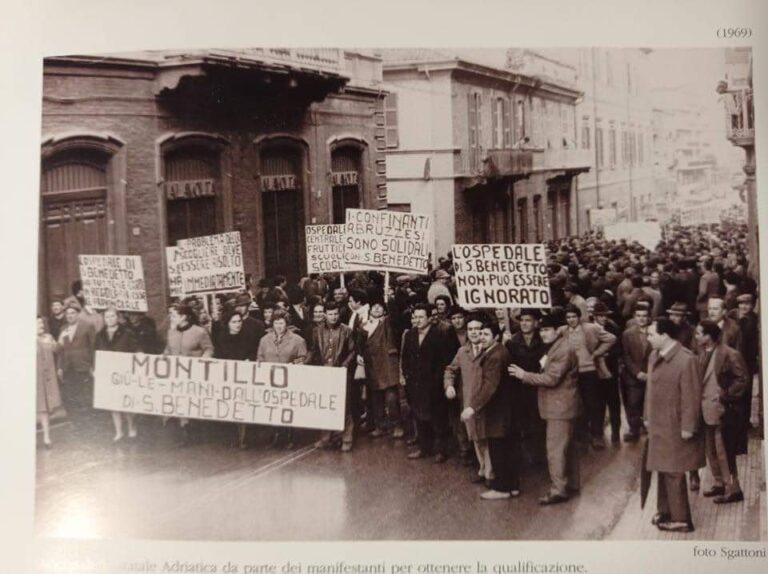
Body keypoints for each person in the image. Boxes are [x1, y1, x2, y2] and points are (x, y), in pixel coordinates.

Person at [510, 313, 581, 505]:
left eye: (547, 330)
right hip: (563, 406)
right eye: (541, 330)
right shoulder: (557, 346)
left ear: (558, 330)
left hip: (559, 407)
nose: (543, 334)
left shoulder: (562, 349)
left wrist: (524, 375)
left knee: (555, 450)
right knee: (567, 447)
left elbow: (551, 379)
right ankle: (571, 483)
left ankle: (558, 490)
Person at [644, 318, 705, 533]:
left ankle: (681, 519)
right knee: (662, 468)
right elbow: (650, 390)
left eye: (651, 334)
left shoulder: (686, 360)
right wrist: (647, 416)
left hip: (675, 426)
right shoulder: (654, 356)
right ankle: (665, 510)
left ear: (665, 336)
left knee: (674, 471)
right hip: (659, 425)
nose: (648, 338)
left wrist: (689, 426)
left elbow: (692, 396)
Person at [694, 320, 749, 504]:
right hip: (706, 410)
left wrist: (725, 395)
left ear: (708, 336)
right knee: (711, 449)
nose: (696, 336)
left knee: (724, 451)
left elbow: (742, 379)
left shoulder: (729, 354)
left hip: (723, 410)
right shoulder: (702, 353)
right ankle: (719, 483)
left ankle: (734, 489)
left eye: (699, 333)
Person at [462, 321, 519, 500]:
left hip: (497, 410)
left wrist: (472, 407)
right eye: (481, 334)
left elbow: (489, 386)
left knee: (498, 448)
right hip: (505, 407)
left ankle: (501, 488)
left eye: (486, 334)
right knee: (507, 447)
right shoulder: (500, 351)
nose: (481, 337)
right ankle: (512, 486)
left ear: (496, 337)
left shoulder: (495, 356)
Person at [401, 304, 450, 463]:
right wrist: (407, 375)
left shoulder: (440, 335)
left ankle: (441, 450)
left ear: (429, 318)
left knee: (437, 418)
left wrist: (437, 382)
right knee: (419, 416)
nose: (418, 320)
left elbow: (444, 361)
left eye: (421, 317)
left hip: (433, 385)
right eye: (415, 317)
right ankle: (424, 448)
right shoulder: (410, 334)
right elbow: (405, 357)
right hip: (415, 384)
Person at [563, 304, 617, 449]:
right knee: (576, 404)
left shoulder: (590, 328)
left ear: (579, 317)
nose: (571, 320)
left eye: (574, 316)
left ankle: (597, 435)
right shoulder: (563, 331)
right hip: (572, 373)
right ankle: (582, 435)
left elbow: (611, 338)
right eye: (568, 317)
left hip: (589, 371)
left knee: (593, 404)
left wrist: (597, 352)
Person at [445, 314, 491, 483]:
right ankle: (483, 468)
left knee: (487, 437)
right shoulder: (462, 351)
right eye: (470, 329)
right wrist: (449, 385)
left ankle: (490, 473)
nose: (473, 332)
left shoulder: (490, 350)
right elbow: (450, 369)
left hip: (487, 401)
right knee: (475, 436)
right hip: (469, 401)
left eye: (477, 329)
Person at [305, 302, 356, 451]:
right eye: (330, 314)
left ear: (339, 314)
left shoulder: (347, 330)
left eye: (335, 314)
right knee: (326, 405)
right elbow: (313, 350)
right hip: (324, 373)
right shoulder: (317, 331)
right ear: (325, 315)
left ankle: (347, 438)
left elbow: (353, 351)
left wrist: (344, 366)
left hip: (341, 372)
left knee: (344, 406)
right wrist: (305, 363)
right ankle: (325, 437)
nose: (333, 317)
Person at [164, 304, 214, 446]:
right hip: (176, 374)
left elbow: (209, 348)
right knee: (179, 401)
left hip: (194, 374)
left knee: (192, 403)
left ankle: (193, 431)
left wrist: (205, 357)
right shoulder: (171, 332)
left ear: (184, 317)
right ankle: (183, 431)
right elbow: (168, 350)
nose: (171, 318)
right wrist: (163, 357)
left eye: (174, 315)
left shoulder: (199, 332)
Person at [257, 310, 307, 449]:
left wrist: (294, 364)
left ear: (287, 324)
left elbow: (303, 358)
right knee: (273, 408)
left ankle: (289, 437)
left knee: (287, 409)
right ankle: (275, 435)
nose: (279, 326)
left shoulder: (297, 340)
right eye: (276, 323)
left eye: (281, 323)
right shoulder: (264, 340)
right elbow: (260, 358)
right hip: (270, 380)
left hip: (289, 380)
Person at [506, 308, 547, 465]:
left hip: (539, 387)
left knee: (539, 422)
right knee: (521, 422)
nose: (524, 323)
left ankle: (539, 456)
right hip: (519, 390)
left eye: (528, 320)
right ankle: (525, 455)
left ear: (536, 323)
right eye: (522, 320)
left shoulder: (543, 340)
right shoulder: (513, 341)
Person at [95, 307, 141, 442]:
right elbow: (96, 352)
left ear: (117, 317)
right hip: (108, 372)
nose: (110, 319)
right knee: (113, 403)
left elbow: (136, 348)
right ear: (104, 319)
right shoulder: (100, 335)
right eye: (107, 317)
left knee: (126, 402)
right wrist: (95, 368)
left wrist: (140, 354)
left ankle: (132, 428)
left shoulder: (127, 332)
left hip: (124, 372)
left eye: (112, 316)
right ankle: (119, 431)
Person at [362, 299, 404, 439]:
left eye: (380, 307)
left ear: (385, 310)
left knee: (392, 399)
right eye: (374, 306)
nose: (376, 309)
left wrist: (389, 299)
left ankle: (397, 425)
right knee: (376, 400)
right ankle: (380, 426)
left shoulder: (387, 322)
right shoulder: (364, 325)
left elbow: (395, 316)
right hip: (372, 365)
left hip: (387, 365)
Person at [215, 309, 254, 449]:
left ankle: (243, 439)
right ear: (228, 324)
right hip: (228, 377)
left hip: (244, 376)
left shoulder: (248, 337)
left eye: (239, 321)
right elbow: (218, 358)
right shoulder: (221, 339)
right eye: (234, 322)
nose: (237, 324)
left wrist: (249, 360)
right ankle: (234, 437)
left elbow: (253, 353)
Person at [56, 301, 96, 428]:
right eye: (67, 313)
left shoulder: (87, 326)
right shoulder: (63, 329)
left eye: (73, 313)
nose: (70, 315)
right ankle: (76, 423)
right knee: (71, 396)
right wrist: (59, 367)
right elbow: (60, 351)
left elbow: (93, 347)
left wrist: (93, 366)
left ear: (78, 314)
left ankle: (88, 424)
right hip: (68, 368)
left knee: (85, 396)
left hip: (83, 367)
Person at [591, 302, 623, 444]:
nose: (604, 318)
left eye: (605, 315)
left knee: (614, 403)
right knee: (598, 404)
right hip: (594, 372)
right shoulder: (589, 328)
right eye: (600, 316)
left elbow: (619, 348)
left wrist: (607, 354)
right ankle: (598, 434)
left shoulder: (613, 328)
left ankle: (615, 433)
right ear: (594, 316)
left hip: (611, 371)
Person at [621, 304, 652, 442]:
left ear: (649, 317)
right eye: (638, 316)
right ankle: (634, 430)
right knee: (633, 403)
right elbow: (626, 356)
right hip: (633, 376)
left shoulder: (655, 332)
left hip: (651, 374)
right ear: (634, 317)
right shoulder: (627, 334)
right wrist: (637, 372)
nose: (641, 319)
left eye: (644, 316)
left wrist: (649, 372)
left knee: (651, 403)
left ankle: (650, 430)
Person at [37, 317, 62, 448]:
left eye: (42, 322)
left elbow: (58, 350)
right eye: (38, 323)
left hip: (46, 379)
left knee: (44, 408)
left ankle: (47, 438)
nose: (41, 325)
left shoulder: (48, 337)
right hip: (34, 378)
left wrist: (59, 341)